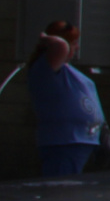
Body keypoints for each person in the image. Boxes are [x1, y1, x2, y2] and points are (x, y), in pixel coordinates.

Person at [25, 19, 105, 175]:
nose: (77, 47)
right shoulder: (46, 68)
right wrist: (47, 39)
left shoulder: (68, 70)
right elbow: (61, 47)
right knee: (61, 184)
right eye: (73, 43)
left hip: (81, 139)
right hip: (64, 140)